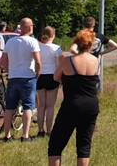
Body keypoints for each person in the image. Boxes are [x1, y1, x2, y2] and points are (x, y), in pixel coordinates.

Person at [48, 29, 100, 166]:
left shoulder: (67, 61)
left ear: (77, 42)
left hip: (72, 105)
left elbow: (55, 77)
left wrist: (67, 81)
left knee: (56, 145)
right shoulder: (95, 61)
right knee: (84, 145)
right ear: (90, 45)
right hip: (91, 105)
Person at [0, 17, 41, 142]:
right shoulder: (32, 41)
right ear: (29, 27)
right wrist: (37, 74)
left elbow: (3, 61)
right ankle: (25, 135)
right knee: (27, 106)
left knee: (9, 107)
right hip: (28, 77)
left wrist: (8, 71)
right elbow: (38, 61)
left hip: (13, 77)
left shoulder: (10, 42)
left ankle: (7, 135)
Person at [37, 26, 63, 138]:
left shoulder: (37, 46)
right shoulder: (56, 48)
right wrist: (60, 79)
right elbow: (59, 65)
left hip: (39, 76)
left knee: (41, 106)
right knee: (50, 106)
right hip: (52, 76)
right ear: (53, 35)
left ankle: (40, 130)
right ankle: (49, 130)